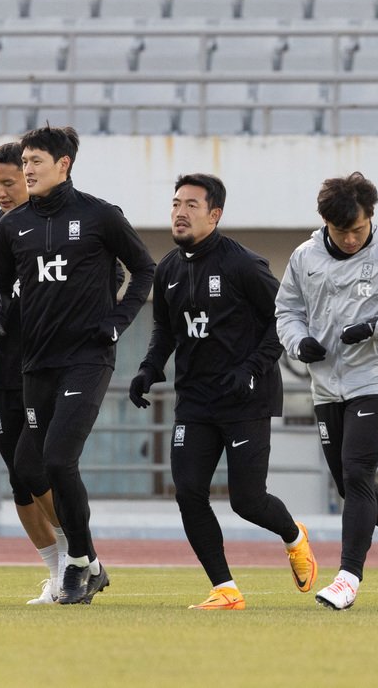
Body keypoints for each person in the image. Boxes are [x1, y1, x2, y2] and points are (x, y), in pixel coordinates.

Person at [129, 173, 319, 610]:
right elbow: (164, 329)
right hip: (195, 401)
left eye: (191, 205)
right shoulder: (170, 270)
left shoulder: (242, 264)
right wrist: (148, 368)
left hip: (245, 398)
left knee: (247, 501)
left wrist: (252, 368)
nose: (180, 211)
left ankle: (294, 535)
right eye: (176, 203)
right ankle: (225, 588)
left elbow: (284, 318)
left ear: (214, 215)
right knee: (188, 490)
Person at [0, 125, 156, 605]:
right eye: (25, 162)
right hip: (35, 363)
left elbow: (145, 269)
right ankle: (89, 563)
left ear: (63, 165)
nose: (27, 170)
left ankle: (79, 564)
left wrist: (117, 321)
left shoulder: (99, 215)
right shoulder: (12, 226)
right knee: (26, 464)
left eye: (35, 161)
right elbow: (1, 292)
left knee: (59, 458)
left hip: (86, 358)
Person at [274, 172, 378, 611]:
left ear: (371, 218)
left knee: (357, 471)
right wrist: (297, 340)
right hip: (326, 384)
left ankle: (348, 577)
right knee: (349, 482)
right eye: (341, 231)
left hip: (377, 379)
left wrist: (376, 327)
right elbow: (286, 309)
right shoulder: (304, 257)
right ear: (325, 222)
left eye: (358, 229)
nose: (350, 239)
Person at [0, 141, 69, 606]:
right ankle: (57, 571)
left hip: (53, 364)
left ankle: (79, 555)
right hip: (6, 367)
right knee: (18, 474)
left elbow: (104, 280)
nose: (1, 192)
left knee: (44, 467)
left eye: (8, 182)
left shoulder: (65, 224)